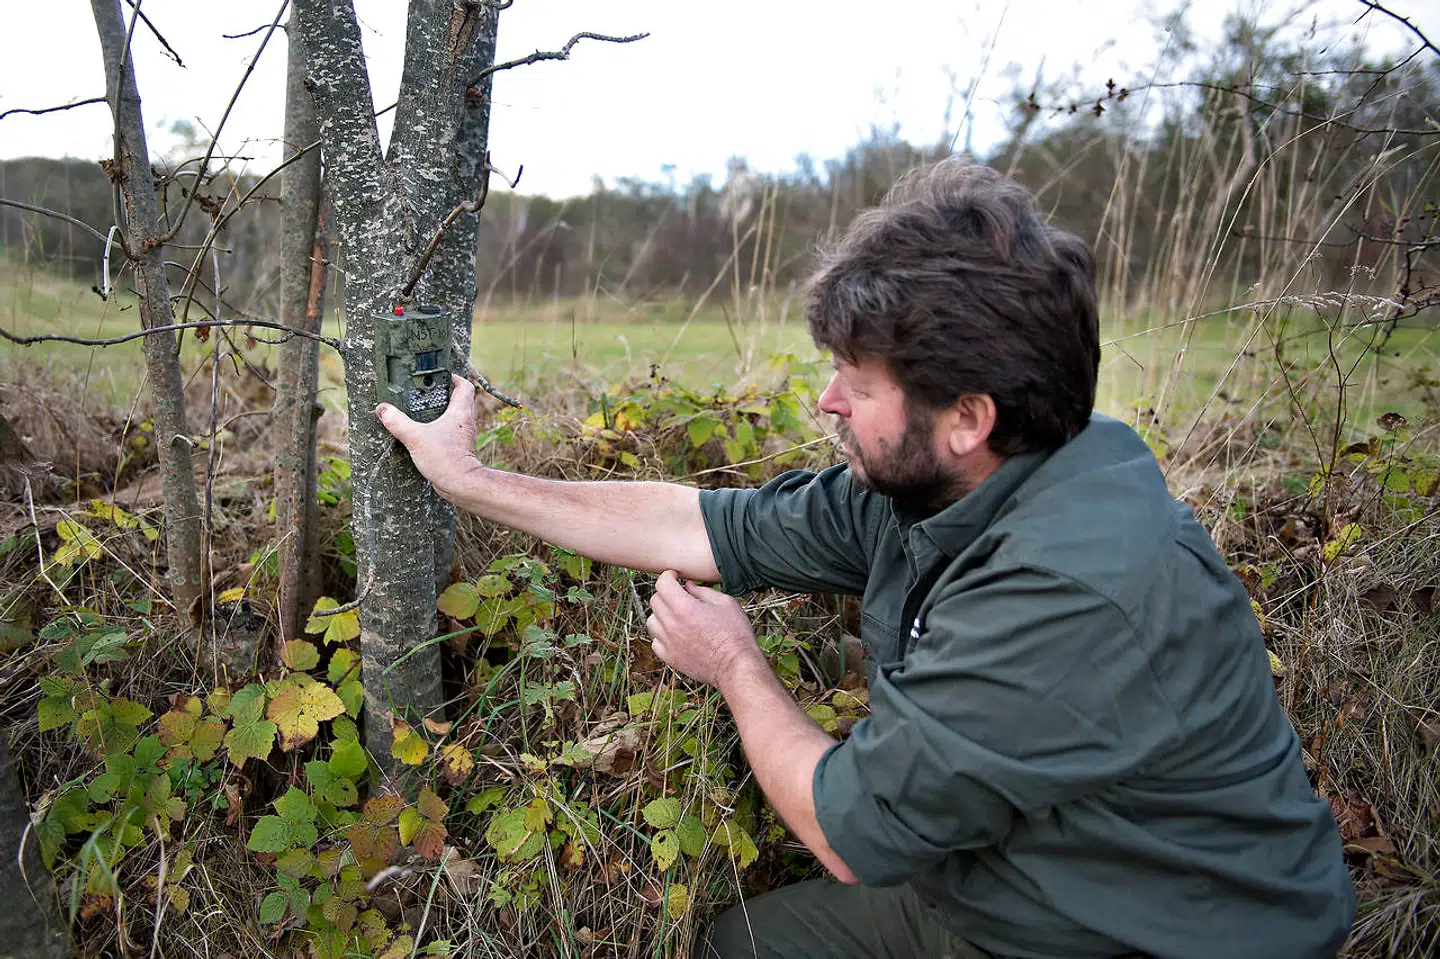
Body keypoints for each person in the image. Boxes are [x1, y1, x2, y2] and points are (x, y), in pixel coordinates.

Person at [376, 158, 1356, 959]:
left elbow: (853, 831)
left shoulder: (1074, 586)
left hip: (1161, 935)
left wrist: (736, 665)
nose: (828, 404)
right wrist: (470, 480)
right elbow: (699, 526)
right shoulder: (941, 483)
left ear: (969, 415)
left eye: (858, 382)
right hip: (1004, 886)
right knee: (748, 943)